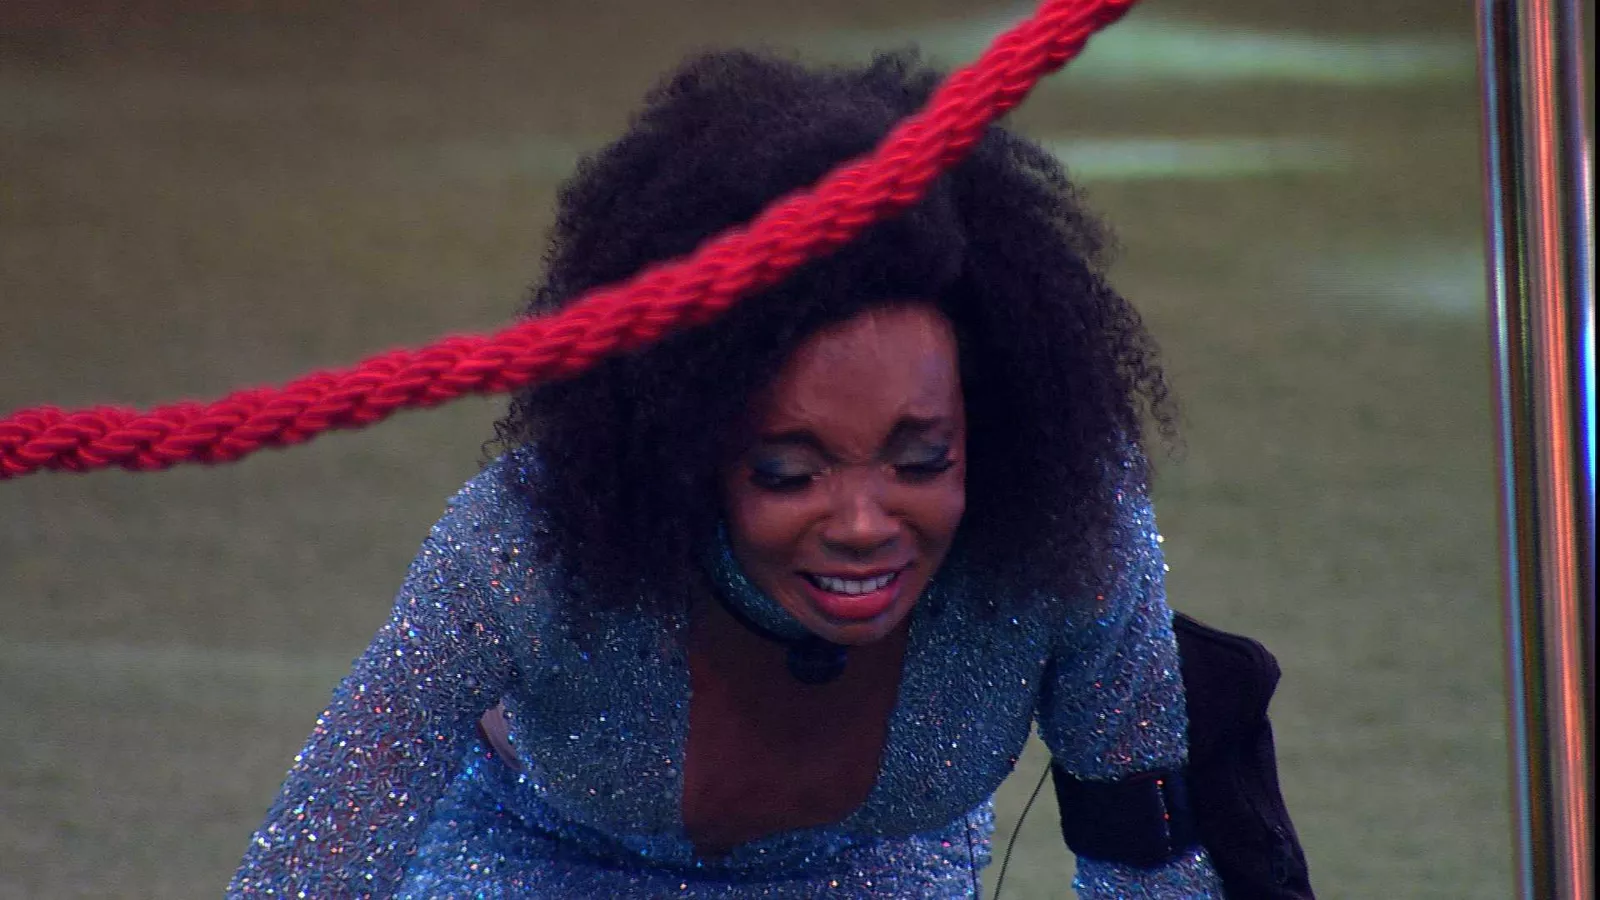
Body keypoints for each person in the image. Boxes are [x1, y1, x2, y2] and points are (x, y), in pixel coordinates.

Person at [229, 50, 1311, 899]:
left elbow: (1146, 858)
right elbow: (312, 864)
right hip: (526, 862)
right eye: (789, 472)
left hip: (875, 878)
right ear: (687, 452)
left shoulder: (1071, 535)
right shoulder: (524, 543)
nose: (862, 521)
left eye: (920, 460)